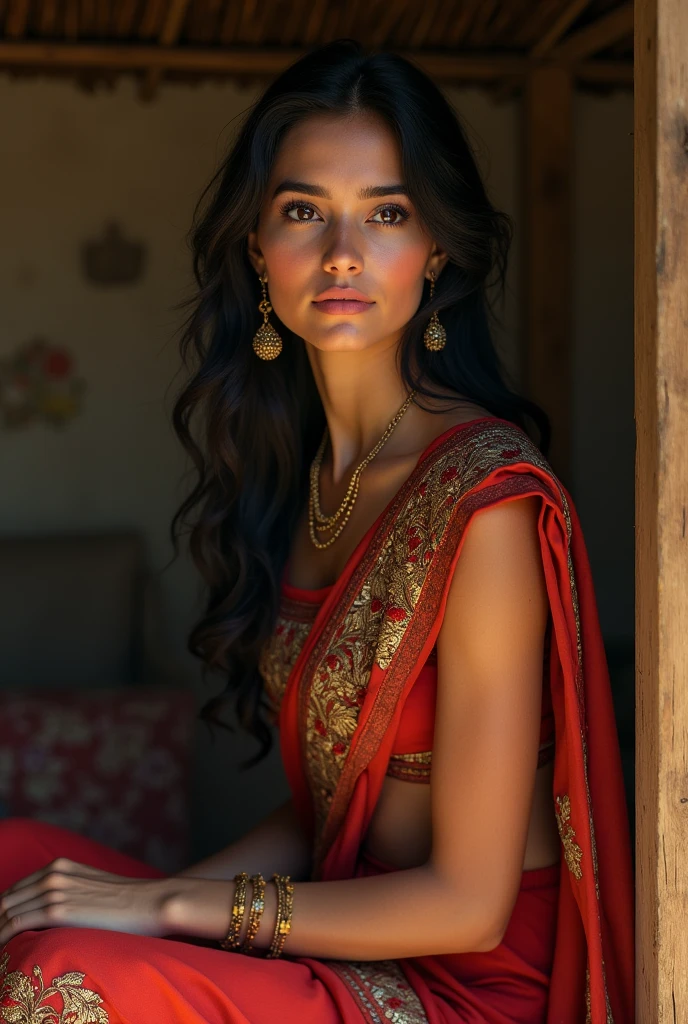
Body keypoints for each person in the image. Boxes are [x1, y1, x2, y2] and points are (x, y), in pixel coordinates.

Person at [0, 39, 633, 1024]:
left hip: (461, 983)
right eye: (304, 210)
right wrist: (148, 912)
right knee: (20, 863)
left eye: (387, 212)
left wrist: (168, 904)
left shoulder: (484, 501)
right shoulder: (308, 481)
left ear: (439, 248)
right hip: (341, 926)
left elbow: (468, 905)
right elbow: (329, 814)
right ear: (258, 245)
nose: (343, 253)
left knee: (60, 980)